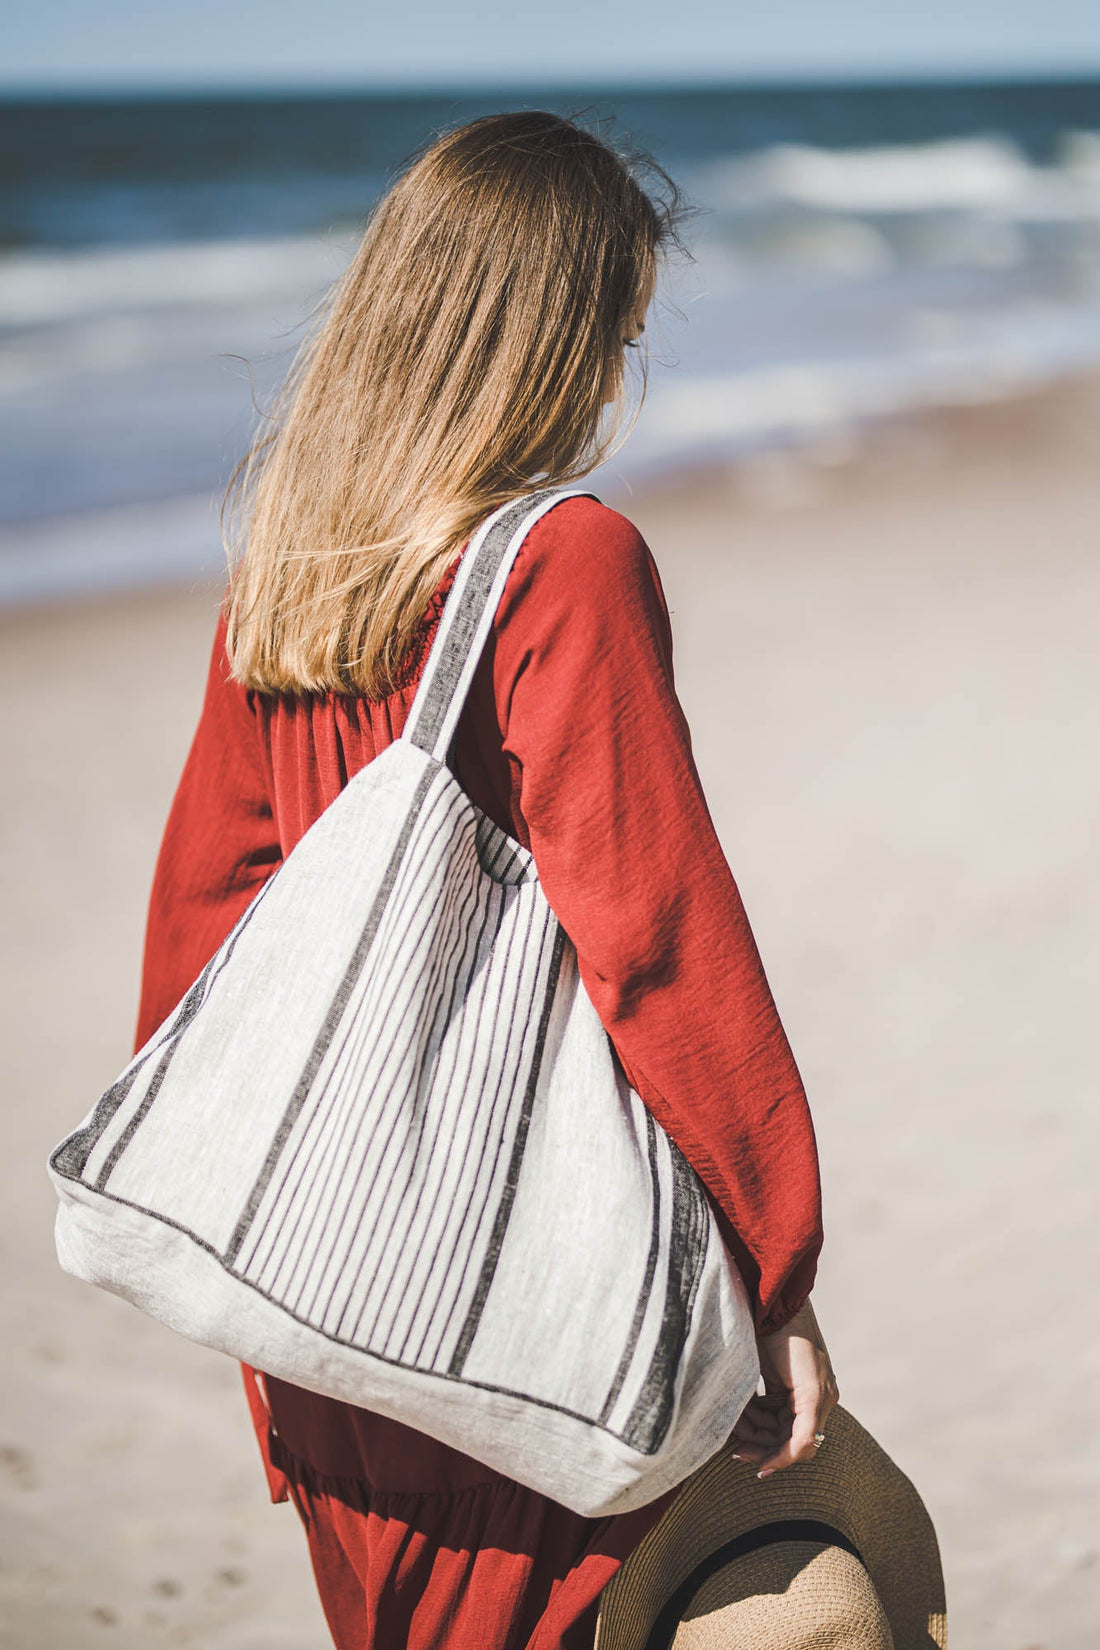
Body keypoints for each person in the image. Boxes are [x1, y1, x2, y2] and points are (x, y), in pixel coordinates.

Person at [134, 111, 837, 1650]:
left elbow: (198, 928)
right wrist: (774, 1263)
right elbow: (651, 935)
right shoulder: (563, 562)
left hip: (316, 1289)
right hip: (515, 1285)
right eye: (616, 333)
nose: (616, 378)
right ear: (547, 335)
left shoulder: (289, 576)